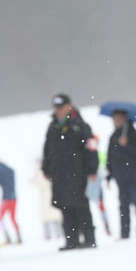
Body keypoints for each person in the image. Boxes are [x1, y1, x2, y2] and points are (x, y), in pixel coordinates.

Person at [42, 93, 99, 251]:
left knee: (81, 204)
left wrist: (92, 168)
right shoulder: (52, 127)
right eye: (56, 108)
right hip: (59, 173)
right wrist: (45, 168)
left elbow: (91, 147)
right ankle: (71, 240)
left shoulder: (80, 125)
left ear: (69, 106)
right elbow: (47, 149)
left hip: (77, 171)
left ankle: (89, 238)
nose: (59, 111)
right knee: (65, 206)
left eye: (61, 107)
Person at [106, 110, 136, 239]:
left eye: (119, 118)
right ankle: (125, 232)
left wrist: (127, 145)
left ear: (125, 119)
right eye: (115, 119)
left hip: (135, 175)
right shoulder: (113, 136)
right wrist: (109, 174)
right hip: (120, 176)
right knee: (123, 205)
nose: (117, 121)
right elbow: (110, 157)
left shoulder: (135, 134)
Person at [0, 157, 21, 244]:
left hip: (6, 199)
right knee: (13, 218)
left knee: (0, 218)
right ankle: (19, 237)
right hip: (14, 197)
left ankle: (8, 237)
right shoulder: (10, 170)